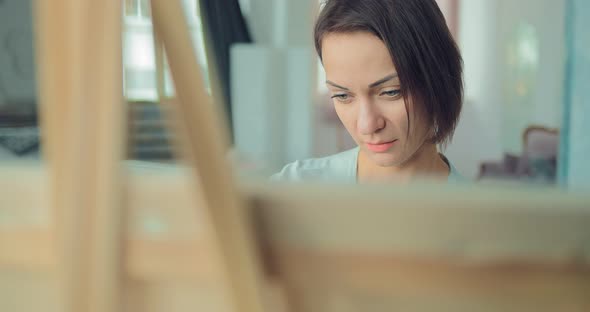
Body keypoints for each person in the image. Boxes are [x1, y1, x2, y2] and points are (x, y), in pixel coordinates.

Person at [273, 0, 463, 183]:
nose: (367, 125)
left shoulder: (476, 213)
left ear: (438, 79)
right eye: (343, 96)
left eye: (391, 92)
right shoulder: (291, 187)